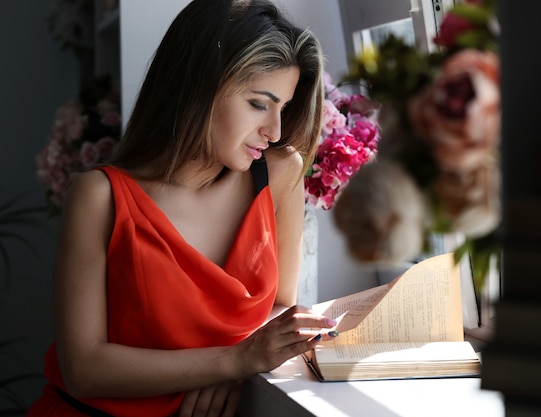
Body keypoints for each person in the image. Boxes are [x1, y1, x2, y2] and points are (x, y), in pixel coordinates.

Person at [26, 0, 337, 416]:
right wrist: (233, 361)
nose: (275, 130)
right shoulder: (99, 196)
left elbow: (280, 308)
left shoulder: (280, 174)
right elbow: (83, 368)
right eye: (259, 104)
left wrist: (241, 367)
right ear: (198, 85)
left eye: (283, 107)